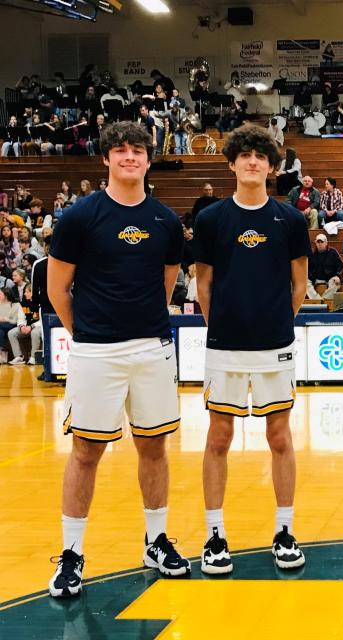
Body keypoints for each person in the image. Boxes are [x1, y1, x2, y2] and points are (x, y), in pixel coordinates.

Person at [46, 120, 189, 598]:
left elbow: (167, 284)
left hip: (150, 347)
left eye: (138, 150)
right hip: (94, 351)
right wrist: (86, 335)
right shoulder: (80, 217)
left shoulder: (166, 221)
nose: (130, 157)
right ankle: (71, 554)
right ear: (105, 159)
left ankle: (156, 541)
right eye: (121, 150)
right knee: (86, 452)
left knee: (154, 447)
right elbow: (56, 288)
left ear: (149, 159)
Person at [192, 123, 310, 575]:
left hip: (274, 345)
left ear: (272, 167)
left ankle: (284, 531)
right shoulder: (211, 219)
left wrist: (276, 320)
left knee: (279, 437)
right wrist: (223, 323)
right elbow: (204, 284)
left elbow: (299, 284)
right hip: (225, 344)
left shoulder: (291, 219)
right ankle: (215, 535)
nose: (253, 162)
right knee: (218, 437)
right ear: (233, 163)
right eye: (245, 155)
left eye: (261, 156)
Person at [8, 283, 41, 365]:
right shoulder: (22, 304)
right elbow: (21, 318)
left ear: (33, 292)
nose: (25, 294)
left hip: (38, 326)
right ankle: (19, 357)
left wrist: (31, 326)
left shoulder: (41, 303)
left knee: (35, 333)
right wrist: (22, 326)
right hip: (26, 327)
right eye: (24, 292)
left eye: (27, 292)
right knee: (12, 333)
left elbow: (43, 320)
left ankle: (33, 357)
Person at [308, 234, 343, 300]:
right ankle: (318, 301)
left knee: (335, 284)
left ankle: (324, 301)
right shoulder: (311, 253)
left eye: (322, 242)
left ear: (326, 243)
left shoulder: (333, 252)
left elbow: (341, 266)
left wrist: (337, 275)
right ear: (315, 243)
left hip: (329, 277)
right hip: (314, 278)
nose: (320, 244)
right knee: (304, 283)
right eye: (318, 242)